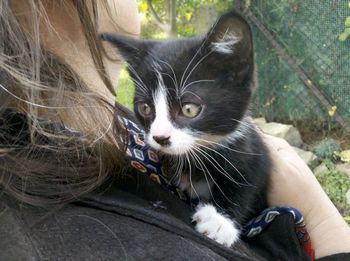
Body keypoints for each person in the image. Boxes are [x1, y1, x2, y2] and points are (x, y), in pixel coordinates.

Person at [0, 0, 349, 260]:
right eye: (147, 110)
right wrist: (318, 216)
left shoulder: (105, 126)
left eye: (187, 109)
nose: (159, 133)